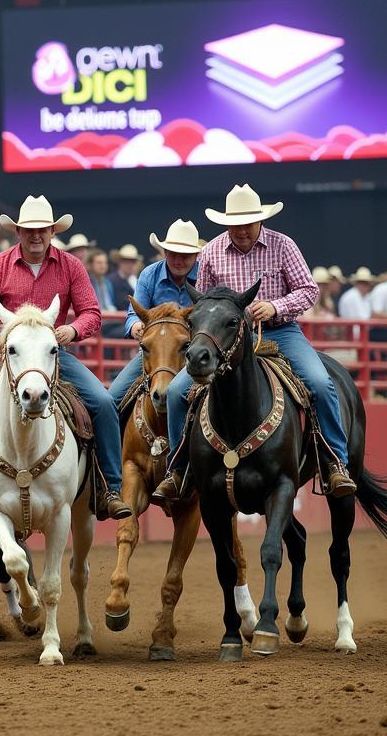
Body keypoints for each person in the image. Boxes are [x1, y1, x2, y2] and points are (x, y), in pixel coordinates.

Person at [0, 195, 131, 524]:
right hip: (5, 359)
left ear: (52, 231)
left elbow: (91, 313)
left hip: (53, 357)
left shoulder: (71, 266)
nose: (36, 236)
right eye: (28, 230)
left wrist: (72, 330)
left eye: (42, 230)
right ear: (18, 232)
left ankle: (109, 487)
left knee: (104, 403)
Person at [152, 184, 356, 506]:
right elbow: (203, 303)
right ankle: (178, 470)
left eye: (249, 222)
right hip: (228, 341)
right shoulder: (212, 252)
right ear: (226, 224)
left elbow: (308, 290)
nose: (243, 230)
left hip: (280, 332)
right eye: (236, 223)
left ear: (260, 221)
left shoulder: (282, 245)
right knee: (178, 392)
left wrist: (276, 307)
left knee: (319, 382)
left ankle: (334, 462)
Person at [106, 218, 202, 407]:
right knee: (112, 398)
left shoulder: (205, 275)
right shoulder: (149, 274)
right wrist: (135, 326)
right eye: (173, 254)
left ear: (196, 256)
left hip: (195, 353)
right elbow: (134, 314)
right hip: (156, 352)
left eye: (185, 255)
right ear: (164, 252)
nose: (178, 260)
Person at [107, 244, 141, 309]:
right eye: (126, 261)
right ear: (120, 262)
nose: (130, 265)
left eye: (133, 262)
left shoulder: (134, 280)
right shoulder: (111, 280)